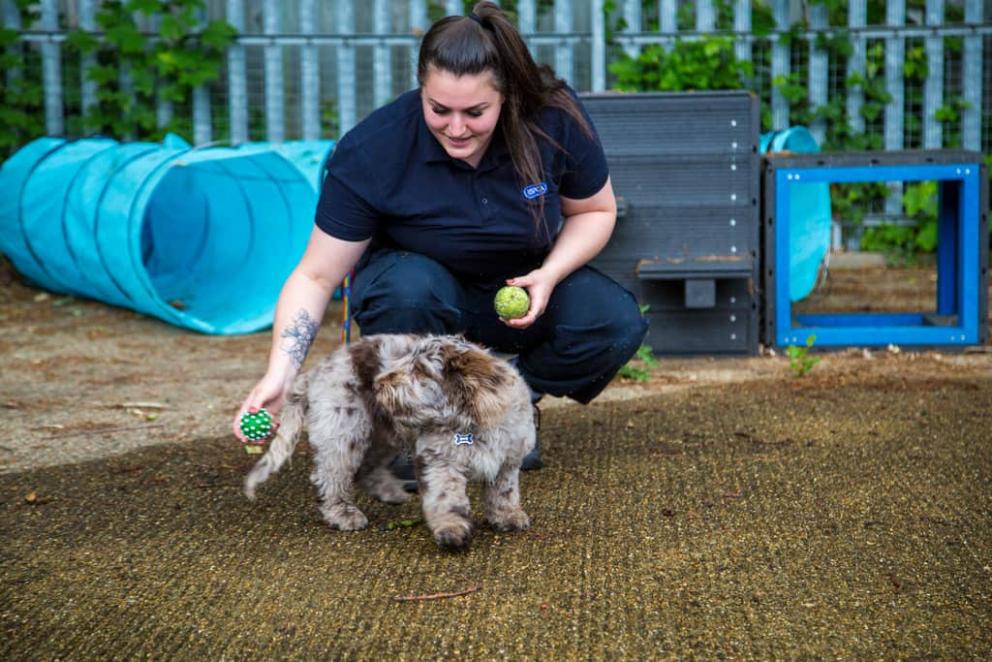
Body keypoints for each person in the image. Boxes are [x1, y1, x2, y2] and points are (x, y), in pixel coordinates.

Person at [232, 1, 648, 473]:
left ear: (507, 96)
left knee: (613, 322)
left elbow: (595, 210)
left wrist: (549, 275)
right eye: (439, 109)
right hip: (418, 304)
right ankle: (420, 432)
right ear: (420, 89)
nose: (455, 128)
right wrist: (280, 375)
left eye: (475, 112)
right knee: (409, 289)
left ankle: (504, 409)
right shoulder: (373, 150)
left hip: (517, 290)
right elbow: (314, 275)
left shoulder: (554, 119)